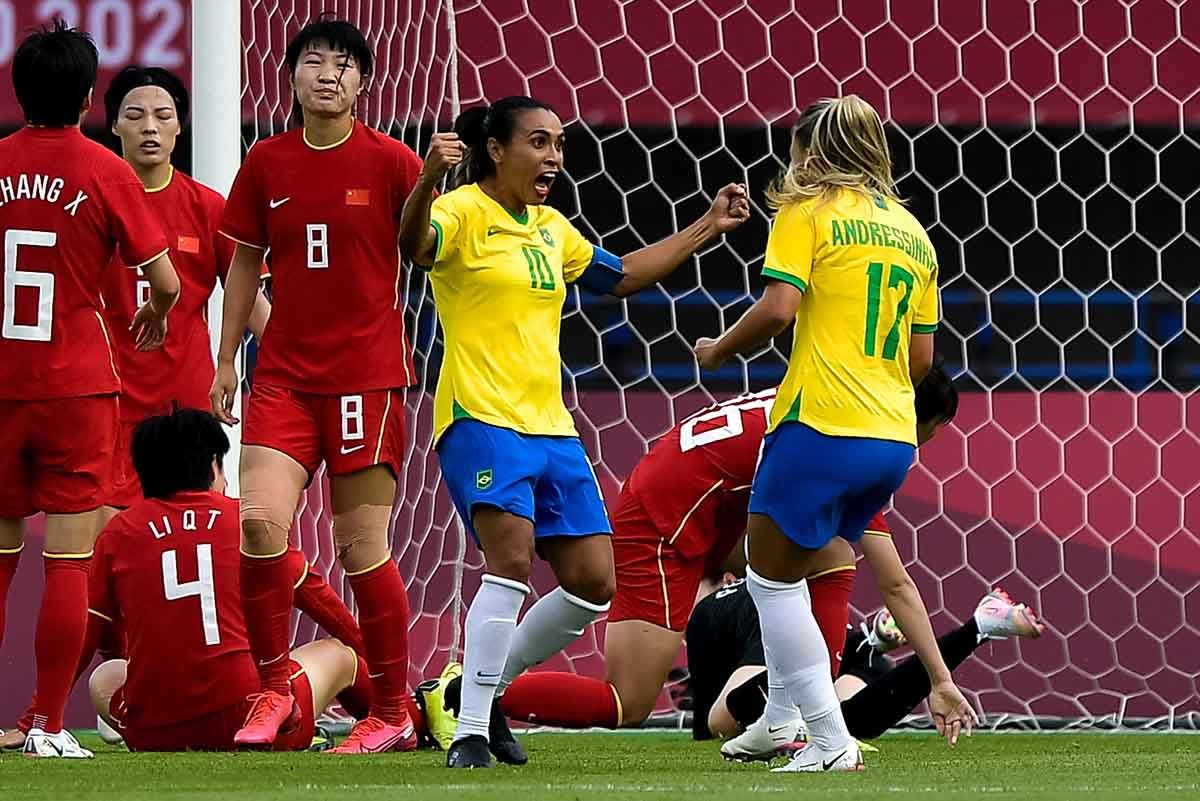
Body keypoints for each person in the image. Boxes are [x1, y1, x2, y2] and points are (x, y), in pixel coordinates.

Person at [398, 95, 750, 768]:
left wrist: (707, 224)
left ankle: (481, 694)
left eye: (559, 142)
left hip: (551, 428)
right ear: (495, 149)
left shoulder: (551, 227)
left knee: (594, 579)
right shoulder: (459, 211)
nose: (554, 154)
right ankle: (470, 730)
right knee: (509, 562)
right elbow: (413, 247)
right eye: (538, 141)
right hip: (480, 417)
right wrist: (423, 182)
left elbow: (621, 275)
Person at [692, 94, 971, 772]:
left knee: (768, 580)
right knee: (813, 567)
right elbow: (922, 360)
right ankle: (776, 721)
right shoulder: (914, 232)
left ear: (808, 153)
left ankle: (826, 737)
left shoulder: (805, 211)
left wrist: (719, 350)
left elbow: (780, 307)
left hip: (821, 423)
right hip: (891, 438)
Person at [486, 363, 959, 733]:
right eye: (929, 433)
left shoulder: (822, 401)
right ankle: (468, 695)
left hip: (706, 510)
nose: (920, 448)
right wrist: (940, 680)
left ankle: (796, 717)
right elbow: (895, 583)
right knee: (628, 704)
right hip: (661, 524)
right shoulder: (847, 447)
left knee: (831, 551)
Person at [210, 17, 425, 754]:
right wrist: (223, 360)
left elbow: (429, 249)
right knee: (260, 525)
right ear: (292, 76)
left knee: (361, 546)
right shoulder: (265, 162)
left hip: (368, 378)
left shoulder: (395, 161)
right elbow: (243, 265)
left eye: (342, 64)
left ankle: (393, 707)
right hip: (284, 380)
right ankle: (272, 687)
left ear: (363, 83)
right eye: (312, 61)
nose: (327, 73)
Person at [0, 21, 179, 759]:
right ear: (87, 98)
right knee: (67, 563)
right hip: (76, 387)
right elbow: (164, 281)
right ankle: (45, 722)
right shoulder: (103, 169)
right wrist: (154, 310)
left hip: (2, 386)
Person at [77, 408, 360, 752]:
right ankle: (402, 719)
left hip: (155, 733)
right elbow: (322, 603)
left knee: (104, 677)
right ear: (213, 463)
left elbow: (89, 631)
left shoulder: (118, 533)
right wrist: (376, 659)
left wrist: (41, 711)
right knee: (341, 653)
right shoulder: (246, 522)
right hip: (251, 717)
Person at [100, 64, 271, 515]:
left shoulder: (208, 208)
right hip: (107, 404)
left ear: (180, 124)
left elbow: (249, 299)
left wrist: (295, 371)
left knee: (199, 535)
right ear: (114, 123)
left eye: (163, 114)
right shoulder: (92, 204)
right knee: (110, 548)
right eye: (134, 115)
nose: (150, 127)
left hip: (188, 404)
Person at [691, 581, 1044, 745]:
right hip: (838, 647)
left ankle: (864, 640)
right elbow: (896, 582)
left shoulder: (718, 607)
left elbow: (720, 722)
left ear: (727, 579)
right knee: (842, 725)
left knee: (723, 721)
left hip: (797, 631)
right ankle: (977, 628)